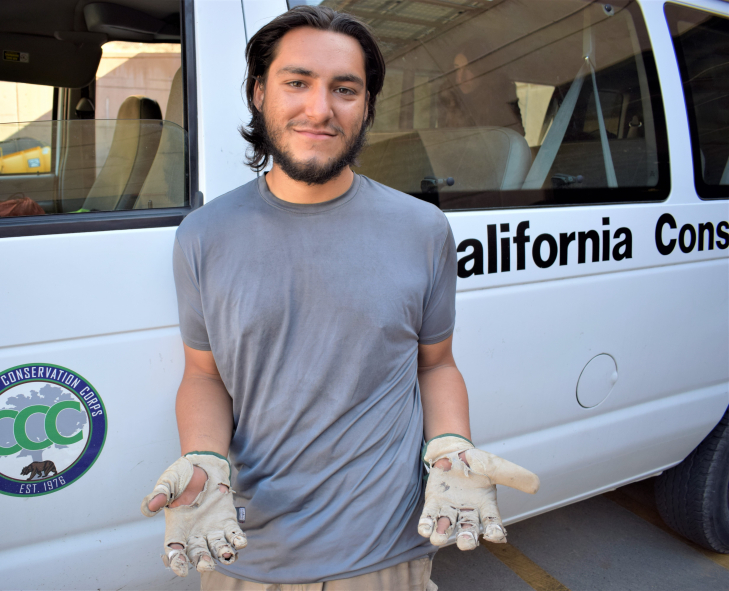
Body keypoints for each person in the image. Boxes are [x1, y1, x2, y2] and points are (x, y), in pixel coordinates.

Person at [141, 6, 539, 590]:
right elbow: (204, 376)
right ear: (259, 92)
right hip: (247, 552)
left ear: (368, 105)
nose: (320, 109)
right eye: (297, 82)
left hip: (386, 554)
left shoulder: (421, 229)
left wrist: (451, 443)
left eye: (344, 89)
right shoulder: (203, 236)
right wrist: (205, 460)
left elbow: (436, 363)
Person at [437, 43, 525, 136]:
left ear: (482, 70)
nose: (461, 78)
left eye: (469, 69)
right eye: (457, 69)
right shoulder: (448, 98)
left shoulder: (499, 102)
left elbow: (515, 137)